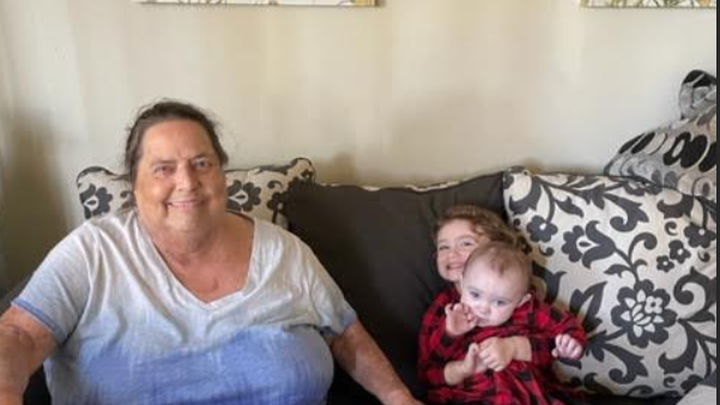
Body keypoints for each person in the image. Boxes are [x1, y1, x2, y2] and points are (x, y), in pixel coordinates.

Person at [0, 100, 423, 405]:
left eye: (201, 163)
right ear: (134, 183)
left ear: (222, 174)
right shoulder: (93, 251)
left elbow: (346, 335)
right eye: (164, 169)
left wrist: (399, 398)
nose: (187, 182)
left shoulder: (284, 252)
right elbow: (19, 335)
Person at [420, 241, 587, 405]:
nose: (483, 308)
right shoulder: (449, 312)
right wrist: (450, 334)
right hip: (470, 396)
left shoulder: (528, 311)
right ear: (463, 282)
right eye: (475, 295)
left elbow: (565, 326)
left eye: (500, 302)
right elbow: (428, 373)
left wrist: (571, 343)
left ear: (521, 301)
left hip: (528, 394)